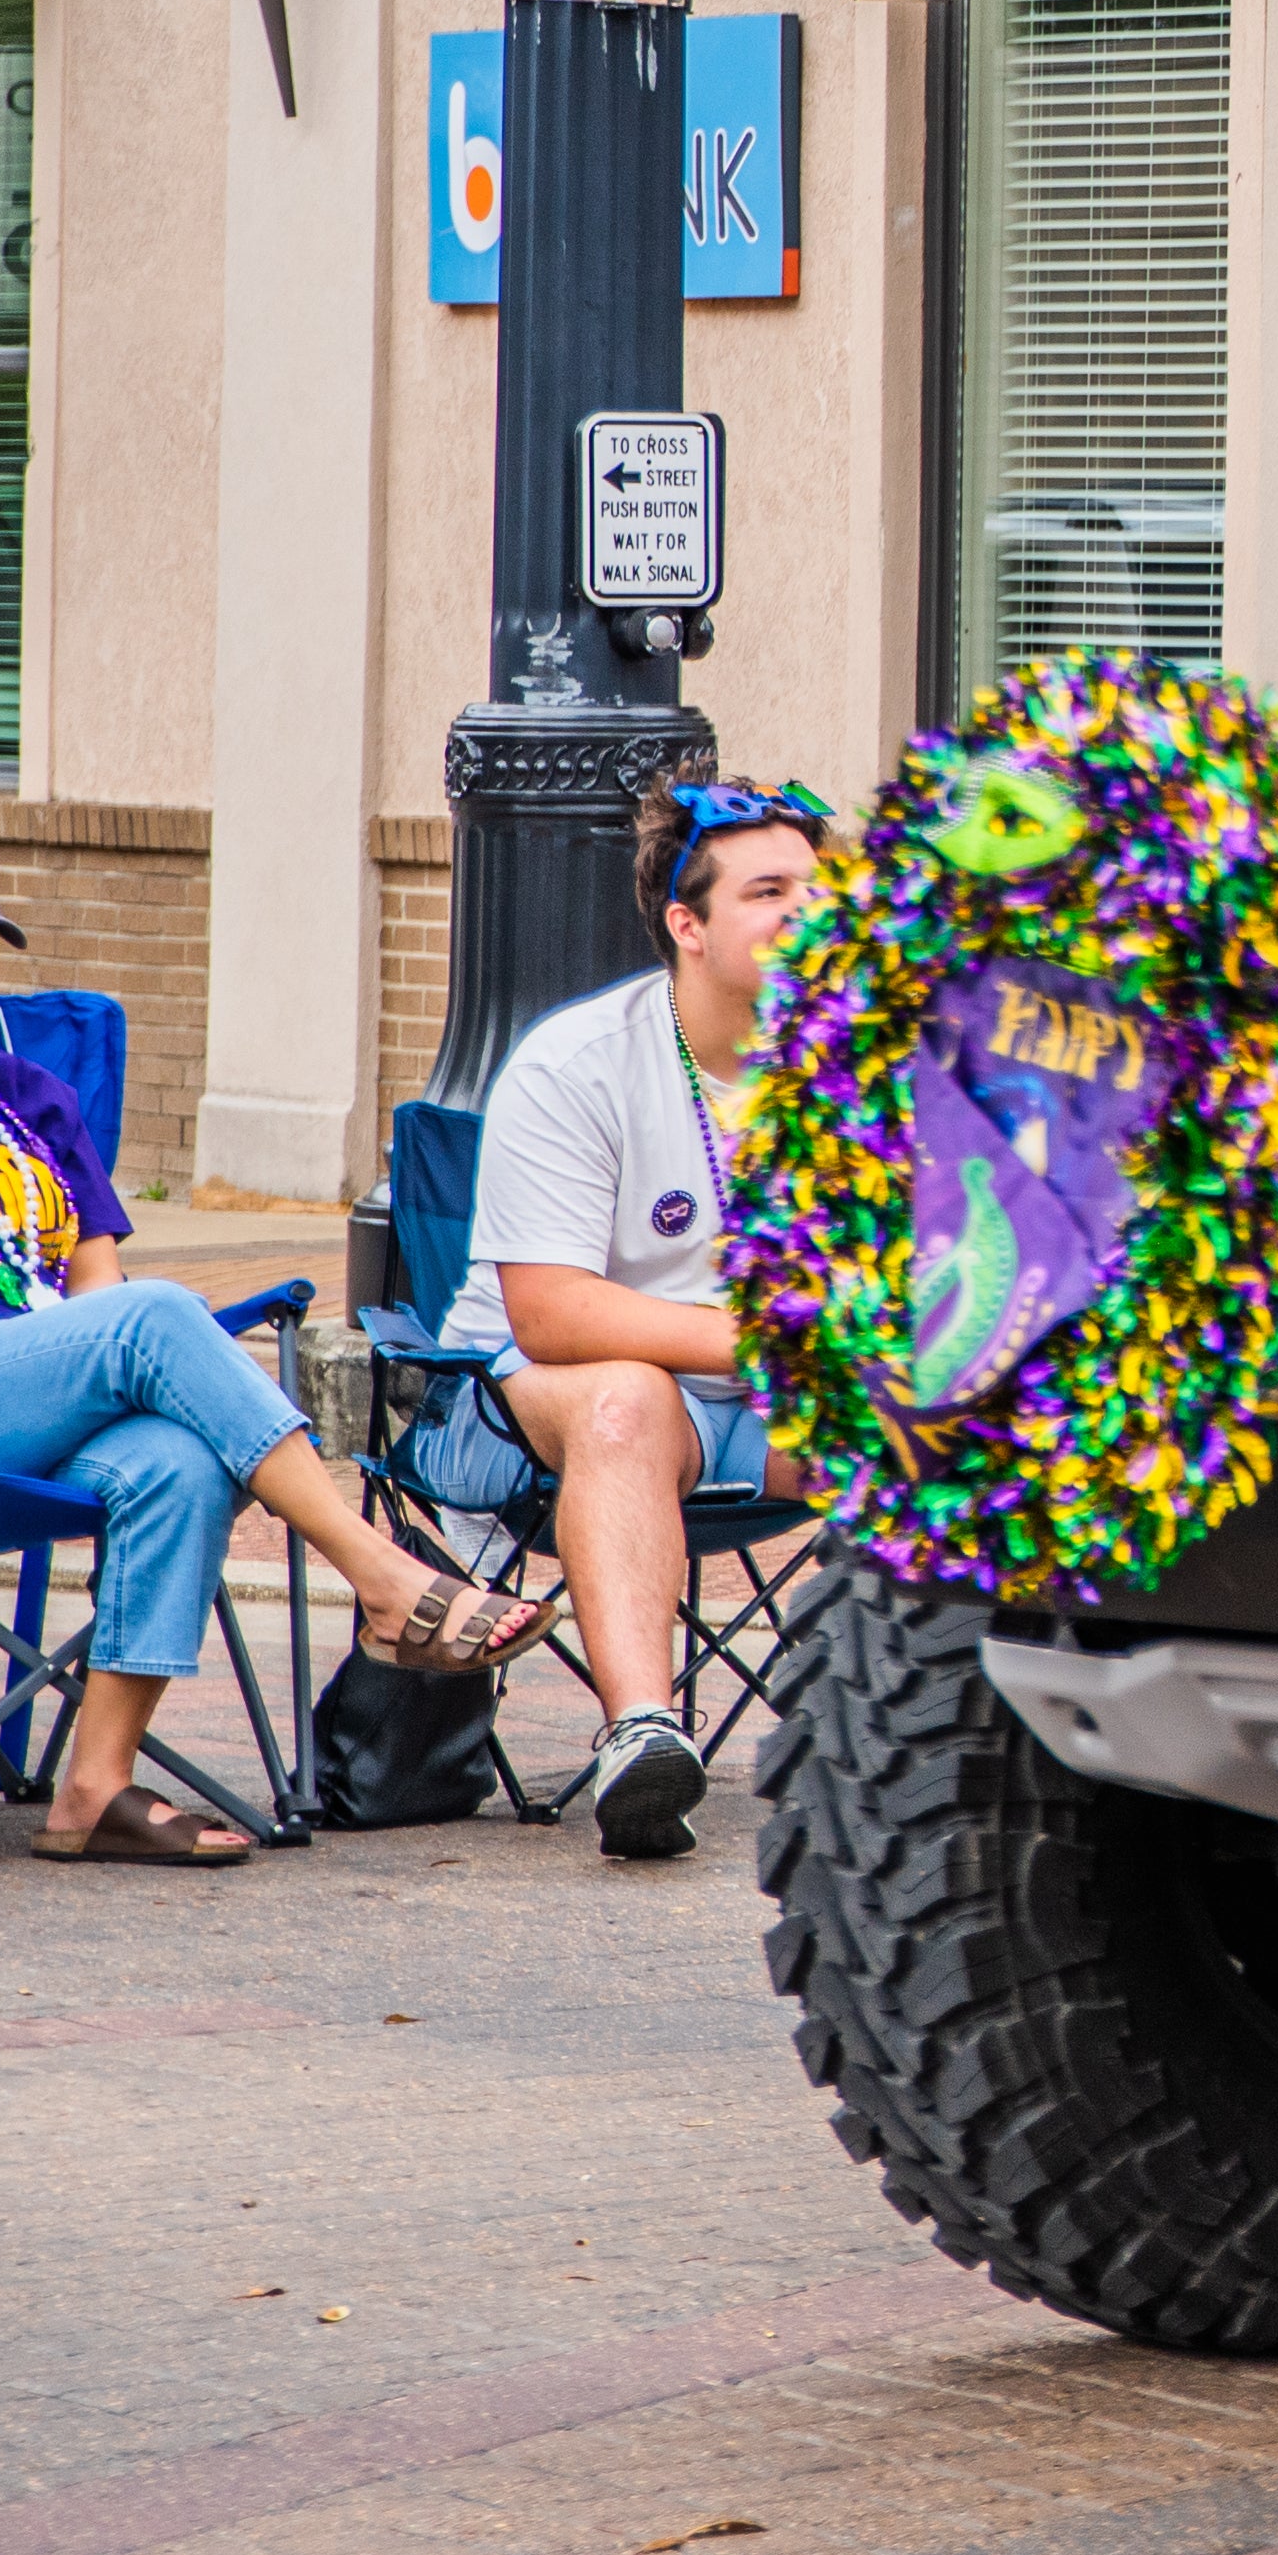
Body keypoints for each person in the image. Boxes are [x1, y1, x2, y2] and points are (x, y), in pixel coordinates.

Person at [0, 837, 548, 1858]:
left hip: (36, 1387)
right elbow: (123, 1319)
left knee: (176, 1460)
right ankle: (385, 1578)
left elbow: (90, 1294)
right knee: (159, 1315)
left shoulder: (30, 1100)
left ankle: (93, 1787)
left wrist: (104, 1370)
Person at [440, 777, 835, 1857]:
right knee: (626, 1399)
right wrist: (776, 1345)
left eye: (821, 887)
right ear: (687, 922)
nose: (809, 912)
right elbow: (553, 1310)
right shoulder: (578, 1063)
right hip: (526, 1400)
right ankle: (642, 1733)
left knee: (957, 1428)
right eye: (769, 891)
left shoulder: (865, 1069)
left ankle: (919, 1738)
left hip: (761, 1401)